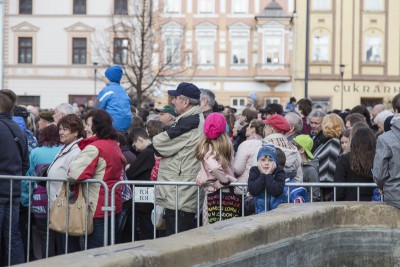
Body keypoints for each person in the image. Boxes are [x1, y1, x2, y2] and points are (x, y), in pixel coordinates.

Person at [151, 82, 204, 236]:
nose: (172, 101)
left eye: (175, 98)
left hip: (180, 194)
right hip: (179, 193)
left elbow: (159, 143)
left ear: (185, 101)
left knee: (176, 242)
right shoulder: (190, 118)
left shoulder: (191, 121)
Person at [67, 109, 124, 249]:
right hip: (112, 203)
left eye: (87, 124)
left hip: (97, 207)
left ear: (97, 126)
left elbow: (74, 174)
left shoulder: (95, 147)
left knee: (95, 251)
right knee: (108, 249)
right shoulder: (113, 144)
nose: (85, 128)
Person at [47, 114, 84, 254]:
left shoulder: (75, 152)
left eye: (65, 129)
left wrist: (59, 199)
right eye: (60, 129)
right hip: (59, 207)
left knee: (68, 249)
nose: (61, 132)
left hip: (66, 208)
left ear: (75, 132)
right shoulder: (66, 148)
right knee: (62, 247)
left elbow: (74, 179)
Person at [0, 89, 28, 265]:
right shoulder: (19, 129)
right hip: (14, 191)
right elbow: (25, 163)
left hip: (2, 192)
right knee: (13, 237)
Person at [26, 124, 62, 259]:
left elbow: (27, 178)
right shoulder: (63, 150)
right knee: (61, 236)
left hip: (40, 200)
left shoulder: (35, 152)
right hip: (60, 200)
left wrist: (26, 200)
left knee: (45, 236)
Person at [195, 113, 238, 225]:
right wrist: (200, 175)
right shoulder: (226, 144)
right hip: (226, 191)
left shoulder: (207, 145)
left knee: (210, 229)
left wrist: (223, 180)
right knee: (226, 228)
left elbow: (213, 167)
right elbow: (210, 167)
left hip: (213, 190)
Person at [126, 128, 156, 240]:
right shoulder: (153, 149)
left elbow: (131, 172)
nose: (134, 147)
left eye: (134, 143)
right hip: (148, 196)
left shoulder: (147, 152)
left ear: (139, 139)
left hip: (145, 198)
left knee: (146, 227)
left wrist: (129, 167)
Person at [373, 93, 400, 208]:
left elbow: (380, 173)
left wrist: (382, 186)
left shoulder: (385, 138)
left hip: (396, 194)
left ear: (395, 111)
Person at [334, 127, 375, 201]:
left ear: (353, 141)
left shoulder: (344, 159)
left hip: (349, 204)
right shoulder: (376, 159)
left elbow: (339, 188)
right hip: (372, 203)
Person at [313, 113, 345, 201]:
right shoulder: (328, 141)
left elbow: (329, 165)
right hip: (324, 186)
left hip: (326, 188)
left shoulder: (333, 142)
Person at [262, 114, 303, 182]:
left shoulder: (264, 147)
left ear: (271, 128)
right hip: (288, 191)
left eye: (266, 126)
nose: (264, 129)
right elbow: (299, 178)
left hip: (267, 191)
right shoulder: (294, 149)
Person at [248, 145, 286, 214]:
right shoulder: (254, 170)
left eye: (270, 160)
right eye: (263, 160)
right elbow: (253, 190)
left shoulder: (279, 171)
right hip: (259, 212)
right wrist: (262, 174)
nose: (266, 163)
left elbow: (276, 191)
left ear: (275, 162)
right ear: (258, 161)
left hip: (277, 213)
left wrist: (268, 174)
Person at [95, 65, 132, 132]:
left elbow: (97, 109)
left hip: (110, 128)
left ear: (110, 78)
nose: (104, 78)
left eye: (105, 76)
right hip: (125, 128)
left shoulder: (106, 91)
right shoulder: (124, 92)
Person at [233, 119, 264, 196]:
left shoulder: (246, 144)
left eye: (249, 126)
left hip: (244, 187)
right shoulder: (264, 143)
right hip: (259, 186)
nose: (246, 128)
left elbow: (237, 169)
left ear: (253, 129)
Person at [293, 135, 319, 202]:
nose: (291, 150)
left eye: (294, 148)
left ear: (301, 150)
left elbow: (314, 195)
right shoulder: (293, 166)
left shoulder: (311, 170)